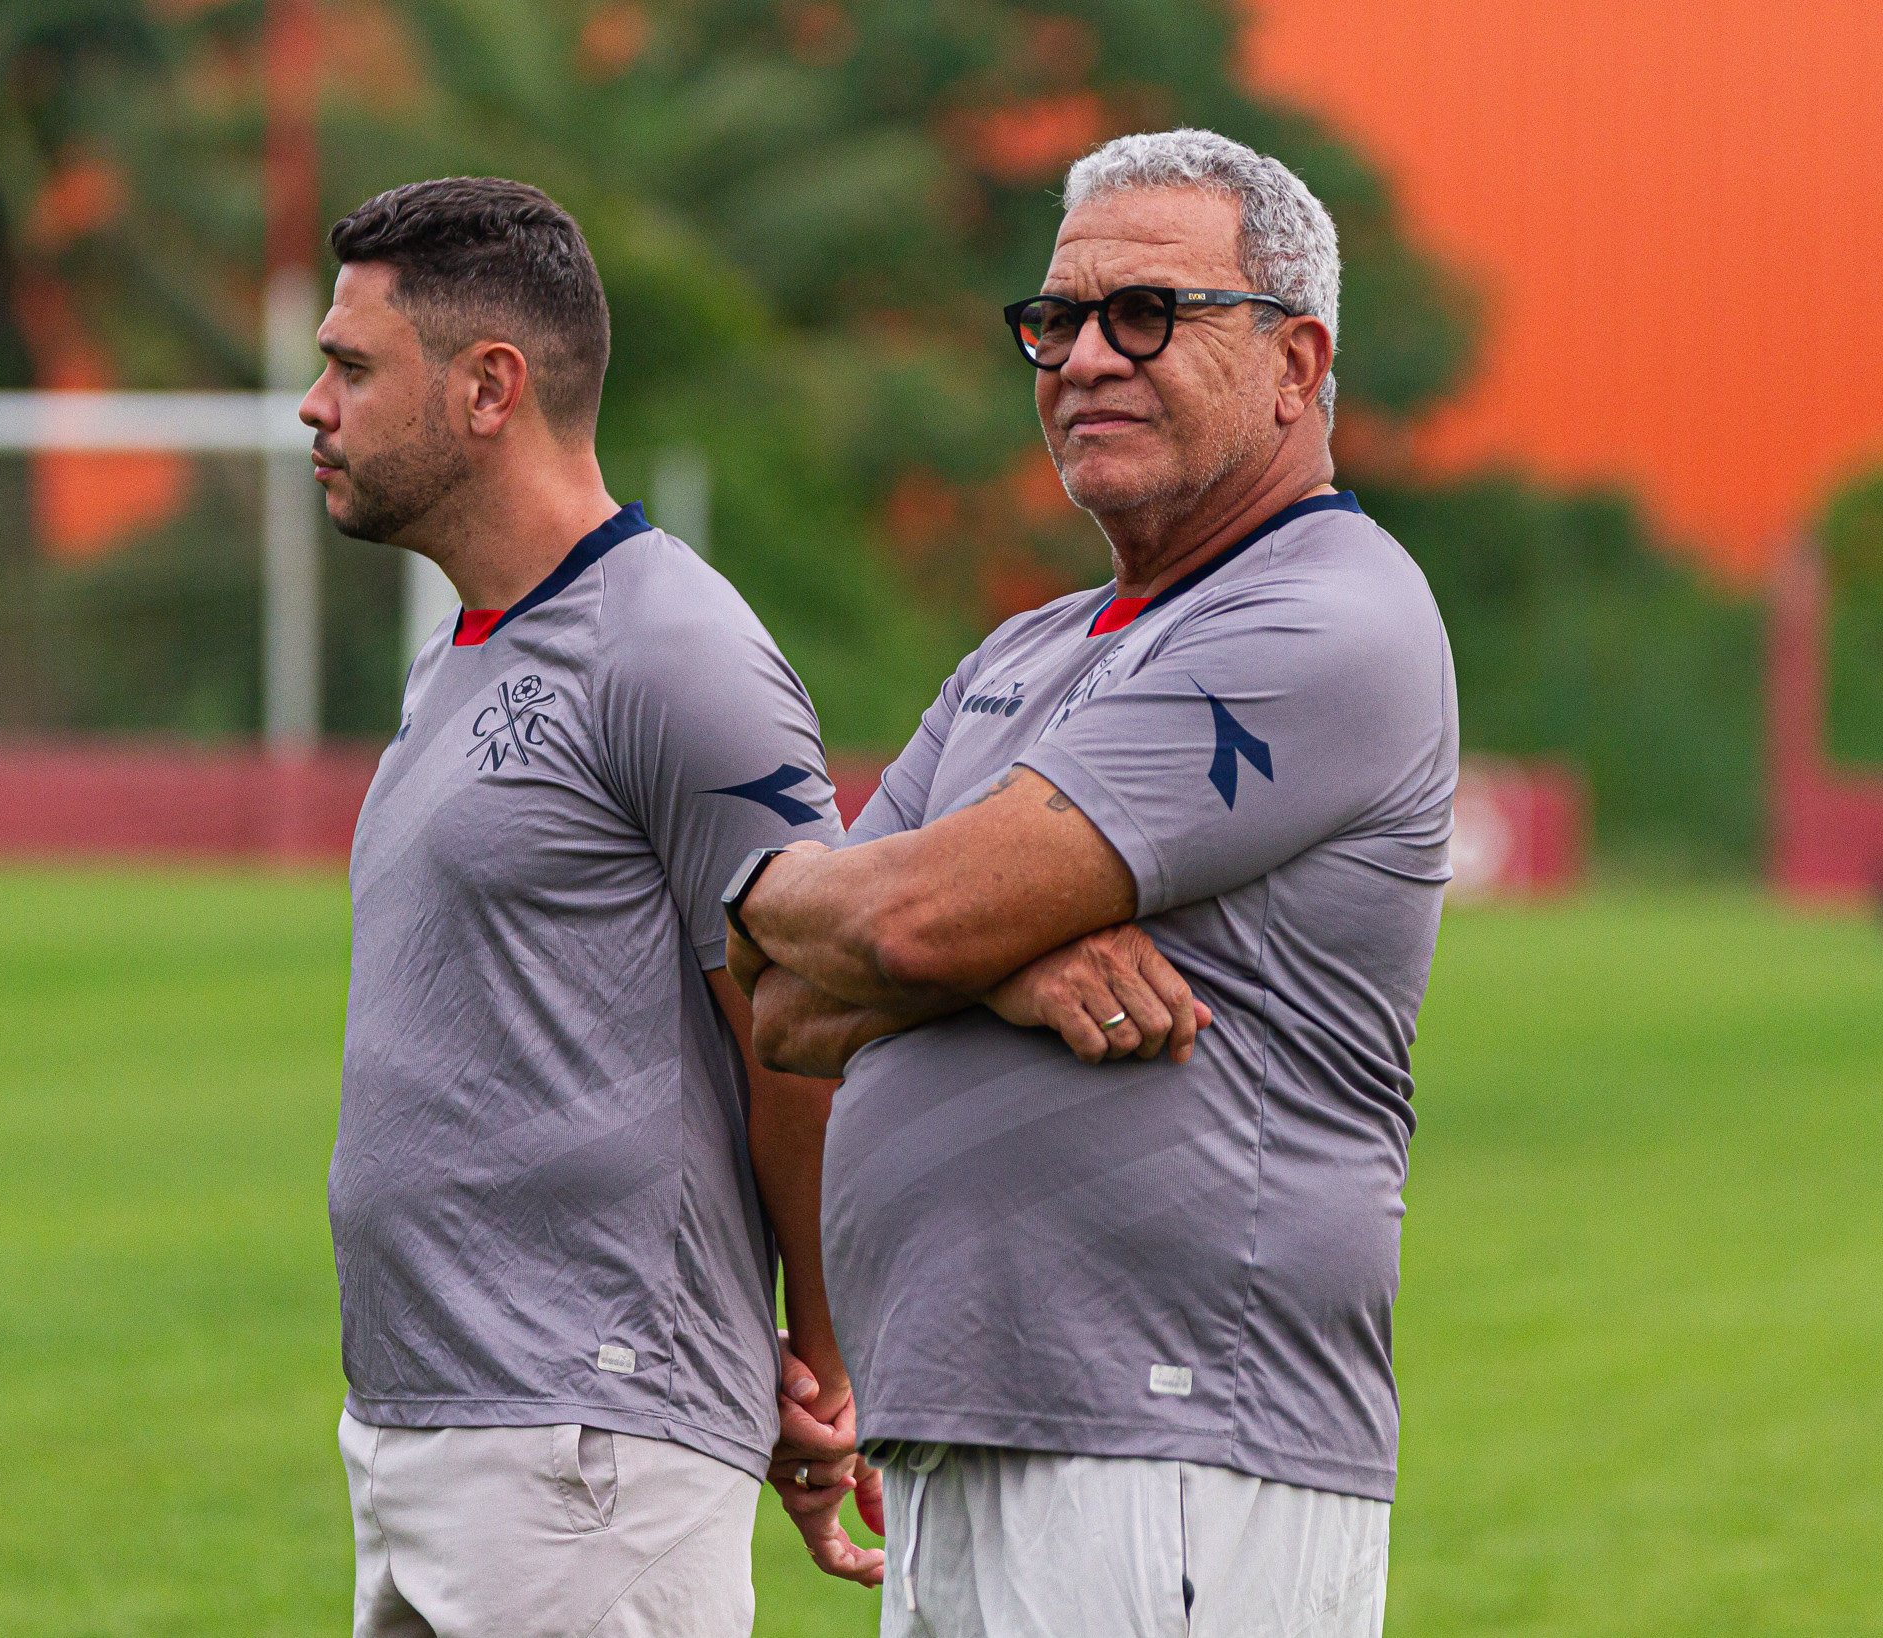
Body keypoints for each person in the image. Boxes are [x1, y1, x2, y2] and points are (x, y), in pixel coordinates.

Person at [727, 129, 1460, 1636]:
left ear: (1295, 362)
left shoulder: (1334, 612)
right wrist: (1007, 960)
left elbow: (885, 918)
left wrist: (913, 931)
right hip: (972, 1424)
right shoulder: (1025, 651)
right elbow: (779, 995)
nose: (1083, 358)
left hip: (1178, 1436)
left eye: (1148, 314)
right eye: (1055, 320)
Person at [307, 176, 857, 1636]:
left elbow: (803, 1023)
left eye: (351, 366)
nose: (313, 405)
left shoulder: (672, 646)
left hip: (586, 1439)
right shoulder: (456, 659)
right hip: (430, 1425)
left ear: (489, 387)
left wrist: (817, 1346)